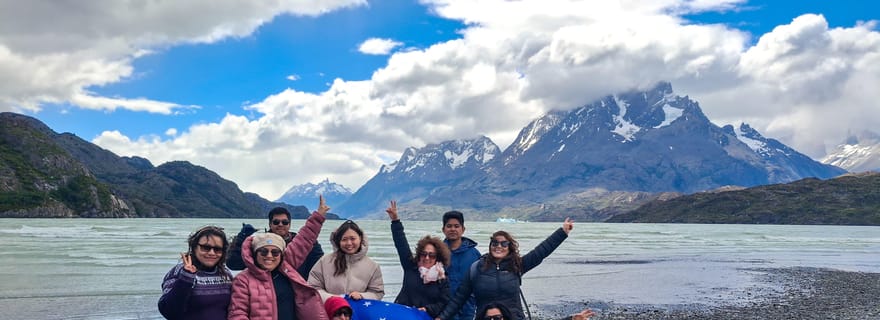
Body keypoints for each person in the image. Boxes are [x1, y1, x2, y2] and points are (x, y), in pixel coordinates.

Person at [436, 218, 575, 320]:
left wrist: (562, 232)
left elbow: (541, 252)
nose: (499, 246)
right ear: (490, 246)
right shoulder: (476, 268)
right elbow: (459, 299)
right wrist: (441, 318)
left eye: (504, 243)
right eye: (495, 243)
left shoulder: (516, 266)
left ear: (510, 248)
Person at [228, 196, 331, 320]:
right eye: (263, 252)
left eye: (275, 252)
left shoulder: (286, 267)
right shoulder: (243, 280)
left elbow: (305, 239)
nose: (269, 256)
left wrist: (318, 216)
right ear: (255, 254)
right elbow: (238, 314)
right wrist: (241, 239)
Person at [386, 200, 451, 318]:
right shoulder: (411, 267)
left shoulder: (442, 278)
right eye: (423, 254)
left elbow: (444, 302)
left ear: (438, 258)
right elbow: (401, 244)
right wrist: (395, 221)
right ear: (419, 254)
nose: (427, 258)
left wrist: (427, 309)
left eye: (431, 255)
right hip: (401, 315)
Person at [227, 206, 324, 280]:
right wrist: (241, 238)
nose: (280, 225)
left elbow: (319, 266)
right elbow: (234, 264)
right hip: (265, 292)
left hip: (296, 291)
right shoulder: (259, 243)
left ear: (289, 224)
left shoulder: (303, 243)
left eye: (285, 222)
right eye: (276, 222)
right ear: (270, 224)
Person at [158, 225, 233, 320]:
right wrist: (186, 279)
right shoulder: (179, 271)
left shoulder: (226, 275)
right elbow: (169, 311)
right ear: (194, 248)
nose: (211, 253)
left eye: (217, 249)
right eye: (205, 248)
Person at [308, 219, 385, 302]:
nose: (349, 243)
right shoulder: (324, 262)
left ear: (360, 239)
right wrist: (333, 298)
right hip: (329, 311)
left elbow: (377, 293)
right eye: (344, 239)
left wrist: (362, 296)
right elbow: (313, 288)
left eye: (353, 238)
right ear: (338, 241)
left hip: (359, 313)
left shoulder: (372, 266)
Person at [441, 210, 481, 320]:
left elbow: (480, 280)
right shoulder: (438, 253)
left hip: (468, 307)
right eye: (449, 226)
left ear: (463, 229)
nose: (453, 229)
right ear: (443, 229)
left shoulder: (474, 254)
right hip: (444, 307)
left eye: (456, 226)